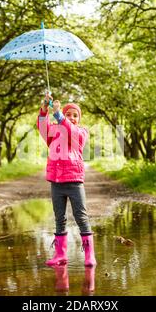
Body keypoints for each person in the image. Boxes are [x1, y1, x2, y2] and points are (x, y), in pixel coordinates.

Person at [37, 92, 96, 267]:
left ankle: (89, 255)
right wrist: (44, 109)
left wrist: (60, 116)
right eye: (68, 114)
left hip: (74, 181)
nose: (71, 117)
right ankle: (61, 254)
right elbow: (43, 129)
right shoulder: (55, 130)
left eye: (75, 115)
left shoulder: (81, 132)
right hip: (56, 181)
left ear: (79, 118)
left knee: (81, 216)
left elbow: (70, 130)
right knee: (59, 217)